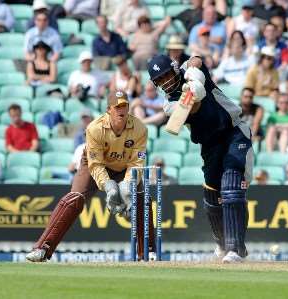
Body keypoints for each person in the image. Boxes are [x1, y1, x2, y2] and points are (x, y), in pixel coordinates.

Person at [26, 90, 155, 262]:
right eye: (117, 107)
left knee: (141, 199)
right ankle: (42, 248)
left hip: (126, 168)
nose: (121, 110)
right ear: (109, 109)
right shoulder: (95, 128)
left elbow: (137, 163)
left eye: (124, 106)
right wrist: (109, 187)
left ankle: (148, 252)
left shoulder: (140, 128)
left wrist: (126, 186)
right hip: (95, 166)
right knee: (74, 199)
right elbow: (96, 164)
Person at [147, 54, 253, 263]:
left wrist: (194, 77)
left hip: (234, 132)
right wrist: (191, 93)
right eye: (160, 79)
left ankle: (236, 248)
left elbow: (196, 59)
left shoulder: (188, 71)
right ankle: (223, 244)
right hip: (210, 145)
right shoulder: (169, 105)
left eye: (167, 74)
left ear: (175, 69)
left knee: (231, 186)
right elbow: (192, 107)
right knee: (212, 196)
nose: (166, 81)